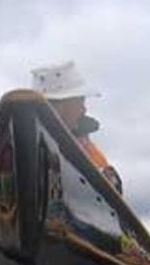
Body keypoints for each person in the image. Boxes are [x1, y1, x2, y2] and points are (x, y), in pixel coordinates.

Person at [31, 61, 123, 192]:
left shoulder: (87, 149)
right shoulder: (17, 141)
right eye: (80, 101)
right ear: (57, 107)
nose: (84, 109)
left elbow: (114, 189)